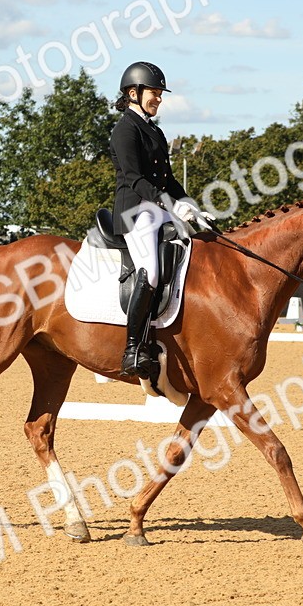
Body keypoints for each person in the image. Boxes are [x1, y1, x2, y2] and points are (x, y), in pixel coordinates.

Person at [109, 60, 214, 379]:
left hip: (157, 208)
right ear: (134, 92)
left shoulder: (153, 130)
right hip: (134, 211)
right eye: (153, 93)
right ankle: (133, 349)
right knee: (151, 271)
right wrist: (170, 204)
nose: (158, 98)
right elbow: (135, 179)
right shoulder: (124, 130)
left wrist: (190, 205)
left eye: (159, 93)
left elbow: (167, 178)